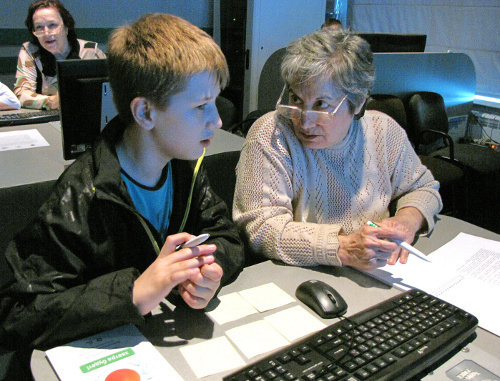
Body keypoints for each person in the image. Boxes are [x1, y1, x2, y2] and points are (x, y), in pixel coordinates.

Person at [0, 12, 244, 359]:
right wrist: (133, 293)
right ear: (145, 113)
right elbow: (17, 314)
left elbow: (225, 234)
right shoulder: (82, 194)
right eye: (201, 106)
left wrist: (209, 269)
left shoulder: (184, 168)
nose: (217, 120)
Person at [233, 29, 442, 271]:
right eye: (296, 99)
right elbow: (260, 227)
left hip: (378, 271)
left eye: (321, 104)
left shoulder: (383, 130)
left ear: (358, 102)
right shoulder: (272, 134)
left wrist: (407, 221)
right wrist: (341, 247)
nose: (305, 120)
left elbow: (422, 186)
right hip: (301, 276)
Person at [13, 0, 105, 110]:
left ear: (66, 27)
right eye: (39, 27)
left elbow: (111, 91)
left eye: (52, 25)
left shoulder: (90, 51)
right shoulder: (30, 51)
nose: (46, 33)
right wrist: (50, 102)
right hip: (47, 117)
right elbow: (21, 95)